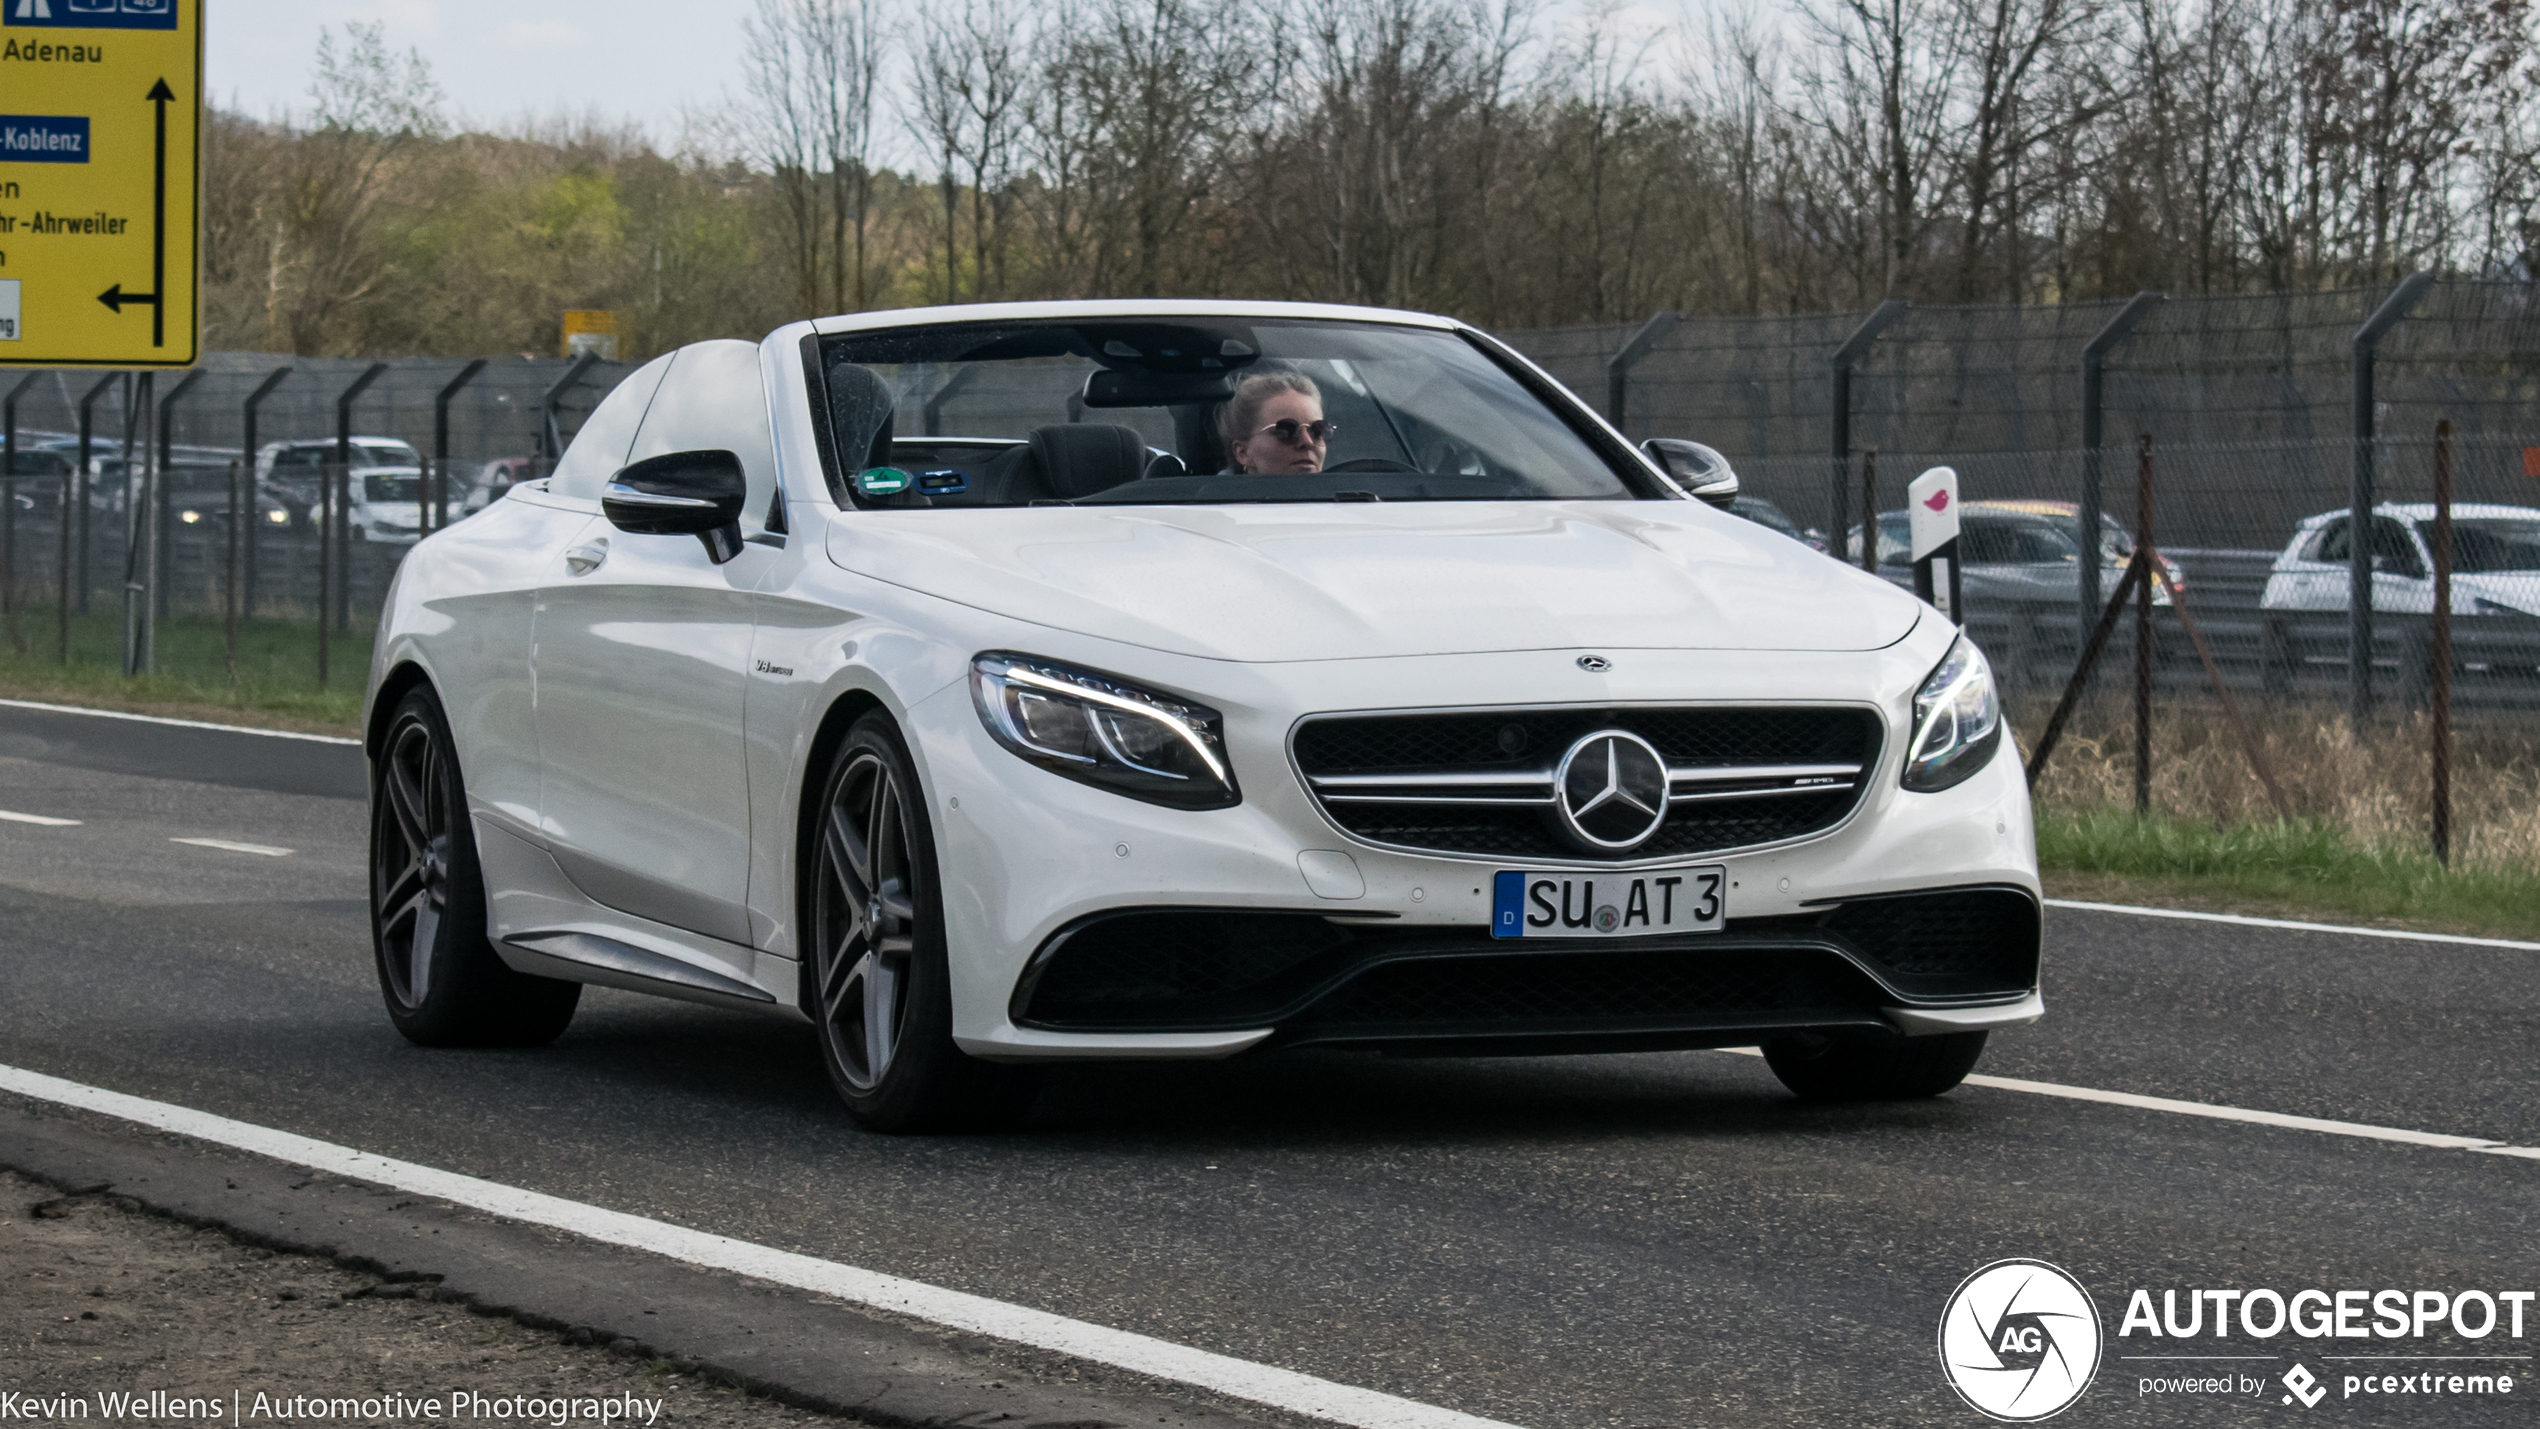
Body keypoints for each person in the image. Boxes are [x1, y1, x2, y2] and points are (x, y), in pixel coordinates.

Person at [1220, 369, 1333, 475]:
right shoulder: (1215, 495)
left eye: (1317, 431)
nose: (1308, 442)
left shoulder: (1346, 489)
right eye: (1285, 431)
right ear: (1243, 452)